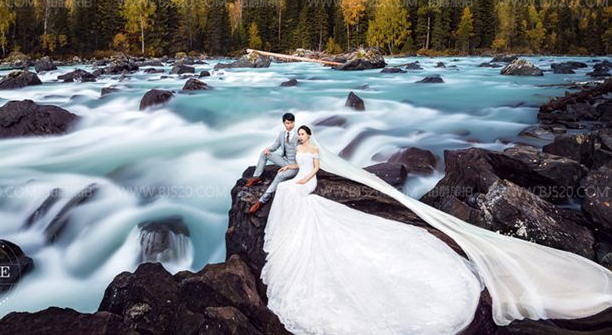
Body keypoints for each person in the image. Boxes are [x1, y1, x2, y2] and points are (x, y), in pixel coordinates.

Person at [261, 126, 612, 334]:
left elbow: (314, 170)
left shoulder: (315, 148)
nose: (303, 135)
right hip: (301, 181)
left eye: (305, 132)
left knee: (298, 194)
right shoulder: (297, 147)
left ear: (309, 134)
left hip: (308, 183)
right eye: (300, 132)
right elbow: (294, 163)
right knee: (291, 193)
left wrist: (301, 178)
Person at [246, 112, 298, 213]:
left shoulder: (299, 135)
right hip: (285, 161)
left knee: (279, 175)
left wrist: (290, 167)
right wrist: (268, 149)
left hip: (295, 166)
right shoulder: (282, 134)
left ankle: (261, 201)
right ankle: (256, 177)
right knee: (264, 153)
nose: (290, 125)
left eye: (292, 123)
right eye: (288, 123)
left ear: (294, 122)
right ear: (284, 123)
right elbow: (275, 145)